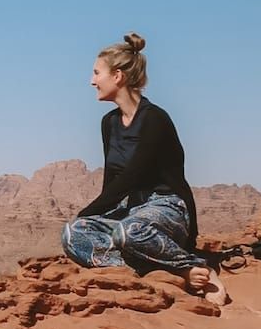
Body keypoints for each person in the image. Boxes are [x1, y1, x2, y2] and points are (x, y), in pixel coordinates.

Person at [60, 32, 227, 304]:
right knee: (73, 234)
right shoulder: (109, 123)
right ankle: (149, 270)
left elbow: (130, 177)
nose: (91, 81)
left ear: (117, 76)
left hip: (167, 207)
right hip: (132, 209)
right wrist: (84, 222)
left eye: (96, 73)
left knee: (128, 231)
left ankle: (192, 266)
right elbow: (112, 179)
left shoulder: (155, 119)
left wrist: (86, 212)